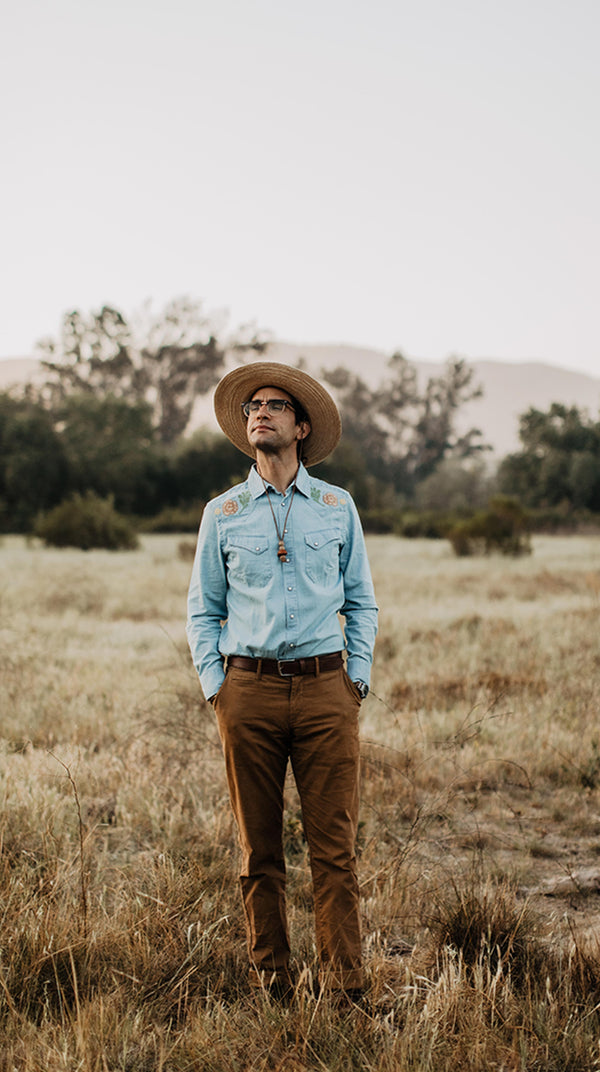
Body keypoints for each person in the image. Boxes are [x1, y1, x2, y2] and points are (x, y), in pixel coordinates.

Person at [186, 361, 378, 999]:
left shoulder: (336, 505)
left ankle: (346, 991)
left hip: (327, 691)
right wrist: (219, 688)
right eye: (251, 408)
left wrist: (356, 678)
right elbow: (202, 609)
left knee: (335, 852)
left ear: (300, 427)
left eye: (273, 405)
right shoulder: (224, 511)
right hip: (249, 692)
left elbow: (362, 602)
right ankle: (274, 985)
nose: (259, 413)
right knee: (258, 852)